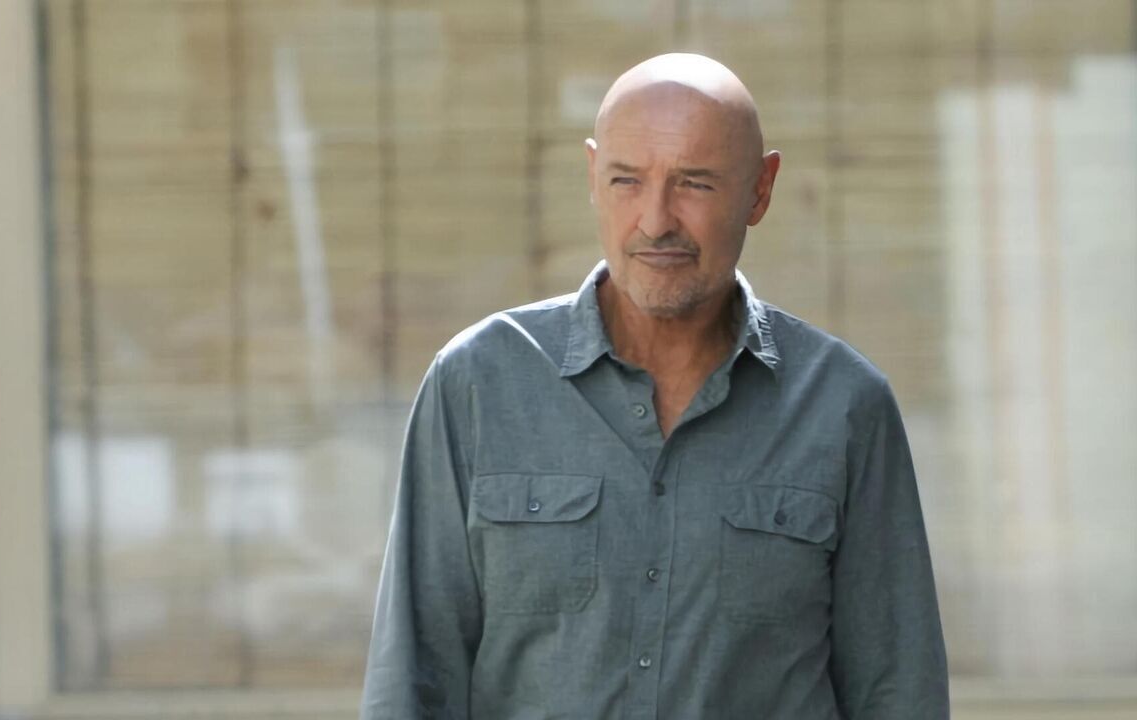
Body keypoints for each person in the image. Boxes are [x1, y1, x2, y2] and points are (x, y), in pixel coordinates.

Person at [360, 53, 948, 719]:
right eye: (626, 181)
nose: (656, 220)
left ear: (760, 190)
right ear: (592, 176)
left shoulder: (844, 406)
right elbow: (412, 680)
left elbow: (898, 692)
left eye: (694, 183)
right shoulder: (478, 383)